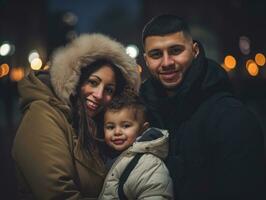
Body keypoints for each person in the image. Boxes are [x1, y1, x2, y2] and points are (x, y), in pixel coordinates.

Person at [140, 14, 265, 200]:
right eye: (156, 54)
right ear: (146, 59)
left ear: (195, 50)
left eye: (175, 50)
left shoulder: (231, 117)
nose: (166, 62)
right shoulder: (142, 115)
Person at [12, 33, 140, 199]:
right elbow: (59, 194)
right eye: (93, 82)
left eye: (109, 90)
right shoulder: (43, 114)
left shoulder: (95, 125)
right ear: (76, 80)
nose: (99, 95)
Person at [97, 93, 173, 199]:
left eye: (126, 126)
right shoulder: (105, 157)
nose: (117, 132)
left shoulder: (149, 164)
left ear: (143, 129)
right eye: (110, 127)